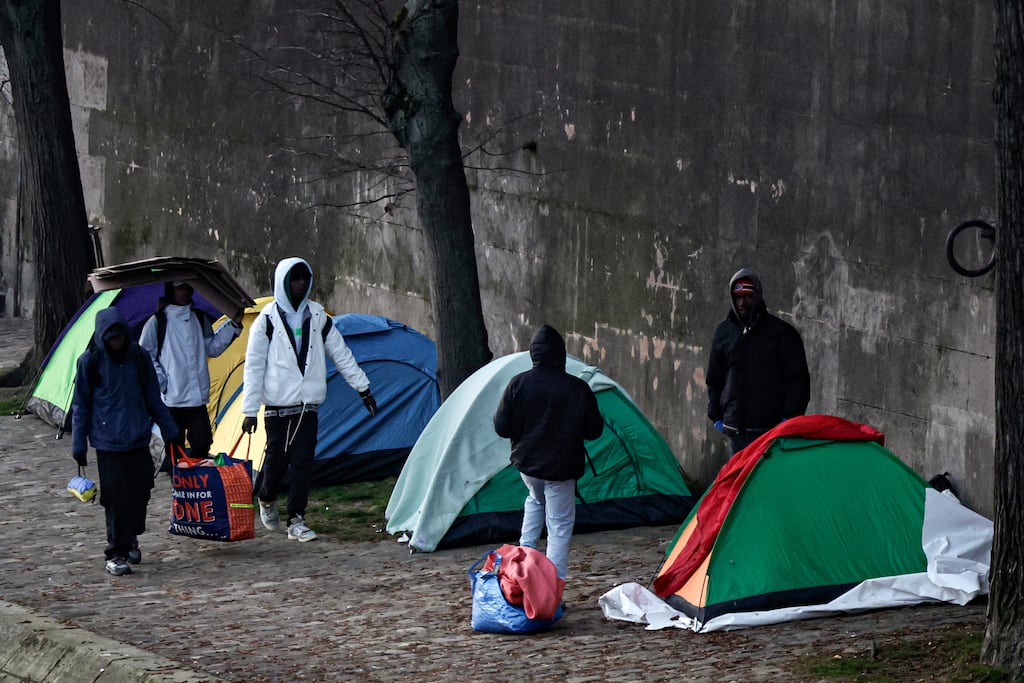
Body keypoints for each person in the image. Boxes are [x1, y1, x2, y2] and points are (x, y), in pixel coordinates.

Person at [240, 257, 377, 542]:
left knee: (303, 462)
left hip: (307, 405)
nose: (301, 284)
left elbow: (341, 354)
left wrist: (363, 388)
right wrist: (250, 410)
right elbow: (253, 366)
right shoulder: (265, 321)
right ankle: (266, 497)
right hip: (278, 406)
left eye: (305, 278)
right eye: (295, 279)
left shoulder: (318, 317)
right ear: (283, 283)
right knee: (277, 461)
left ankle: (296, 519)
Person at [71, 307, 181, 576]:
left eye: (119, 337)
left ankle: (131, 536)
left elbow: (153, 397)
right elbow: (81, 405)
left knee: (142, 489)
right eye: (111, 338)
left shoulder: (138, 358)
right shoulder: (91, 362)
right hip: (108, 442)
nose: (116, 343)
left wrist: (170, 431)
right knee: (116, 497)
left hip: (137, 437)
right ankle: (115, 551)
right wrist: (78, 444)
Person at [493, 324, 604, 581]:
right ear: (561, 354)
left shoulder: (517, 384)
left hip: (528, 467)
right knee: (559, 527)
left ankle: (521, 570)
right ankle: (552, 587)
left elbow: (501, 427)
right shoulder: (577, 388)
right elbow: (594, 431)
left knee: (535, 500)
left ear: (533, 354)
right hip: (561, 470)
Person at [705, 268, 810, 454]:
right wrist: (717, 416)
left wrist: (790, 417)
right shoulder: (724, 333)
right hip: (736, 431)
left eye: (747, 296)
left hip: (770, 431)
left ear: (757, 296)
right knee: (741, 482)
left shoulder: (781, 334)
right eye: (737, 297)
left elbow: (798, 379)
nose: (742, 303)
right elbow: (715, 378)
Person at [140, 281, 243, 469]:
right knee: (174, 450)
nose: (186, 291)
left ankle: (197, 483)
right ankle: (180, 488)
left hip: (197, 400)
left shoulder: (199, 317)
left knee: (203, 443)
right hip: (172, 402)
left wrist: (234, 324)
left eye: (189, 287)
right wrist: (163, 382)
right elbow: (145, 356)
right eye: (181, 287)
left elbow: (212, 347)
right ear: (171, 290)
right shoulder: (157, 322)